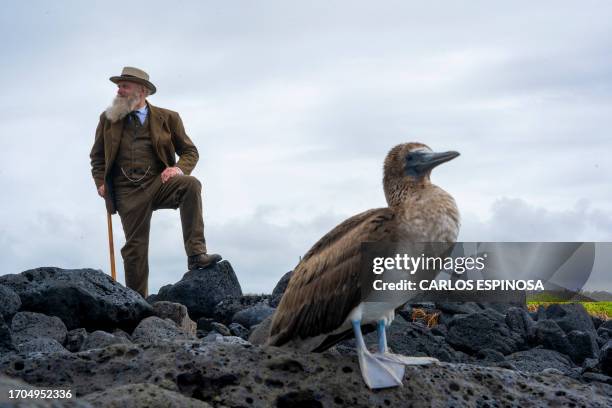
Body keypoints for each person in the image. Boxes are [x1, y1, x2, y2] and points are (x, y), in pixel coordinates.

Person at [90, 66, 221, 297]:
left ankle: (196, 254)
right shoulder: (108, 119)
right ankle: (136, 302)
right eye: (118, 86)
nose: (119, 90)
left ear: (142, 91)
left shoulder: (169, 118)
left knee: (190, 184)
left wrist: (178, 168)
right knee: (135, 250)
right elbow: (97, 156)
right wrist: (100, 181)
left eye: (124, 85)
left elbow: (190, 151)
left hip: (158, 182)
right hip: (125, 191)